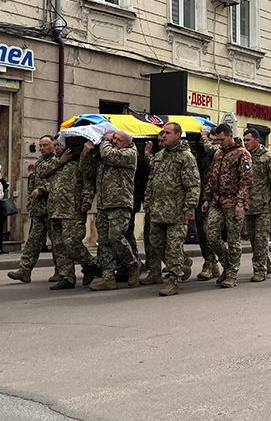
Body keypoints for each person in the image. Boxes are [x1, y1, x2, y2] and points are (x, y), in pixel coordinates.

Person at [144, 122, 200, 296]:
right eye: (162, 133)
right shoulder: (159, 156)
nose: (163, 136)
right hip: (158, 211)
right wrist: (147, 202)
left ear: (177, 135)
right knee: (156, 245)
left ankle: (173, 280)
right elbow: (152, 182)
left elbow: (193, 185)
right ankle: (182, 264)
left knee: (173, 247)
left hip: (177, 212)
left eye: (167, 133)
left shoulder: (186, 157)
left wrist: (189, 208)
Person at [47, 138, 102, 290]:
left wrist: (87, 201)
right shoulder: (55, 163)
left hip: (73, 209)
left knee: (71, 242)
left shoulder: (79, 163)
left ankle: (91, 264)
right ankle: (67, 276)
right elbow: (42, 172)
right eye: (55, 145)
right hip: (55, 209)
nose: (56, 148)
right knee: (58, 245)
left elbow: (88, 181)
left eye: (59, 145)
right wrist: (60, 161)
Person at [87, 129, 138, 290]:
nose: (114, 141)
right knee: (104, 242)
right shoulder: (106, 153)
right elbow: (87, 172)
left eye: (117, 139)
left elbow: (108, 155)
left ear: (128, 142)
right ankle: (108, 276)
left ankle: (132, 264)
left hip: (120, 203)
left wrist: (105, 140)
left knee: (115, 237)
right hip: (103, 204)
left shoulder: (129, 154)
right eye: (113, 138)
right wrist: (85, 154)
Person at [202, 123, 252, 288]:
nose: (220, 142)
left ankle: (232, 274)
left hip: (233, 203)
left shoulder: (242, 154)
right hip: (217, 201)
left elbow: (246, 181)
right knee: (211, 235)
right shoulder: (218, 153)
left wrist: (240, 202)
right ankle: (227, 265)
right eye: (217, 140)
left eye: (222, 139)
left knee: (233, 239)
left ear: (230, 135)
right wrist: (207, 198)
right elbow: (212, 176)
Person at [8, 135, 57, 283]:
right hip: (39, 210)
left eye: (45, 145)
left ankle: (61, 271)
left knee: (57, 242)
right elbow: (32, 185)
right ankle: (24, 270)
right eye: (40, 145)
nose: (41, 148)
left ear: (53, 145)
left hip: (53, 209)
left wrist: (42, 190)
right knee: (33, 241)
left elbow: (59, 183)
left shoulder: (58, 161)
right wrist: (30, 204)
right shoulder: (40, 162)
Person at [242, 129, 271, 282]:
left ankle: (259, 270)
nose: (245, 143)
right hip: (249, 206)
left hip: (265, 207)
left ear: (257, 140)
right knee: (252, 238)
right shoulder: (244, 157)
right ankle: (267, 263)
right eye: (244, 140)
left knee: (261, 239)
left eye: (248, 140)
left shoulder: (269, 158)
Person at [193, 126, 222, 280]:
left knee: (210, 231)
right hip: (200, 196)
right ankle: (210, 261)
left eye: (212, 137)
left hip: (214, 198)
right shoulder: (202, 152)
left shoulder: (219, 149)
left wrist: (205, 137)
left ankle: (211, 263)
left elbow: (212, 150)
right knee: (201, 232)